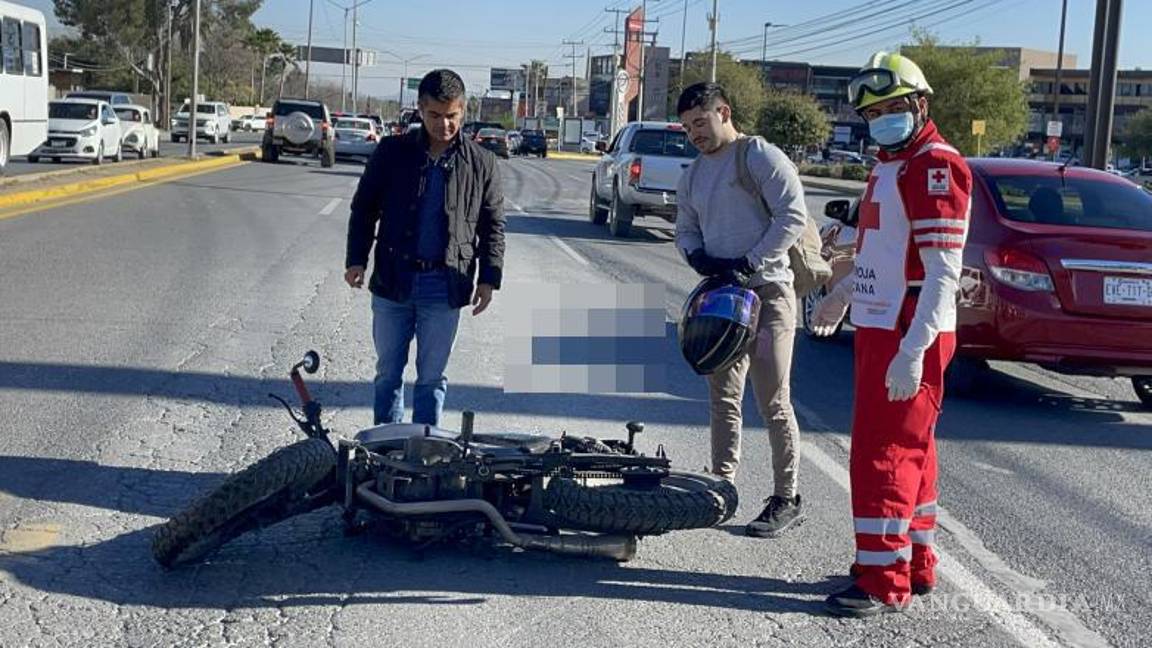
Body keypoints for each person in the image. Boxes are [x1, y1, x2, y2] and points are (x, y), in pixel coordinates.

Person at [812, 52, 972, 617]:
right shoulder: (892, 164)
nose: (881, 119)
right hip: (884, 323)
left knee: (884, 454)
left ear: (920, 104)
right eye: (872, 112)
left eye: (892, 108)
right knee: (912, 452)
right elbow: (882, 252)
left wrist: (913, 350)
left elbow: (943, 273)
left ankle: (883, 579)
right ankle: (913, 562)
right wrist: (843, 291)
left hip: (907, 328)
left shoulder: (934, 166)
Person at [675, 82, 808, 538]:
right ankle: (721, 485)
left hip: (767, 293)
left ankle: (786, 497)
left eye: (701, 122)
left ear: (724, 112)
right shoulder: (693, 175)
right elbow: (685, 228)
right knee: (723, 397)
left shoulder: (758, 156)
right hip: (722, 300)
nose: (695, 133)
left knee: (773, 399)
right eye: (688, 127)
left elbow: (793, 215)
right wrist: (697, 256)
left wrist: (750, 261)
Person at [345, 69, 506, 427]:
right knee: (388, 374)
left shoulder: (482, 162)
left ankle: (426, 450)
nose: (443, 124)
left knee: (432, 379)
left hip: (444, 287)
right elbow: (364, 208)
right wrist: (356, 259)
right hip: (393, 281)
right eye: (434, 115)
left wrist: (488, 279)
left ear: (463, 111)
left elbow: (492, 225)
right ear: (420, 109)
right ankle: (387, 446)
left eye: (451, 116)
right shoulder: (392, 152)